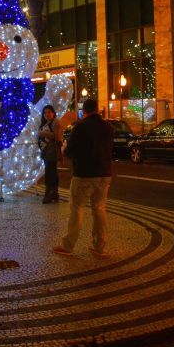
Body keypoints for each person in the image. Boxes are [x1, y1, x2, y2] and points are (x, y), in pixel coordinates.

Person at [53, 98, 114, 258]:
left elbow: (70, 151)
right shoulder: (108, 127)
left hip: (84, 174)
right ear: (97, 110)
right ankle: (100, 247)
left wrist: (65, 147)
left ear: (84, 111)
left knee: (77, 209)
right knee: (99, 209)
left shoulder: (80, 127)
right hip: (104, 174)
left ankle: (68, 246)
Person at [39, 104, 62, 204]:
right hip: (46, 150)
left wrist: (42, 133)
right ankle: (54, 194)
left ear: (53, 113)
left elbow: (57, 136)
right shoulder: (46, 123)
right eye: (45, 113)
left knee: (50, 172)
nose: (46, 114)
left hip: (51, 150)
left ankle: (49, 194)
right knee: (51, 171)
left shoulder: (55, 122)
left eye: (49, 112)